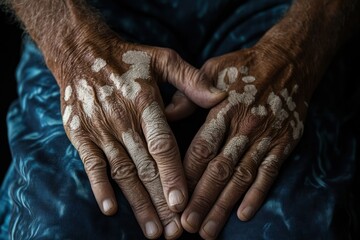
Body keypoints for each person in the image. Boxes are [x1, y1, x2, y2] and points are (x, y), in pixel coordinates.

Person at [0, 0, 359, 239]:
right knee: (60, 224)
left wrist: (295, 52)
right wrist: (74, 48)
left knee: (289, 226)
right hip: (85, 12)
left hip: (288, 12)